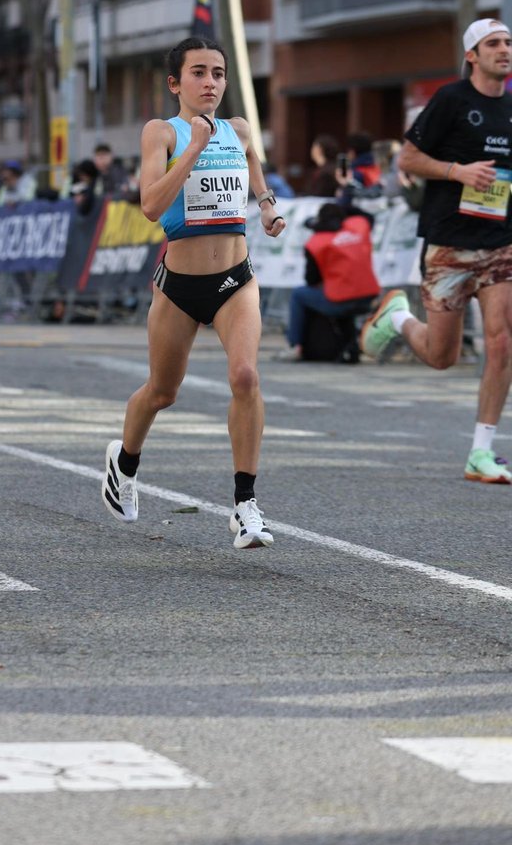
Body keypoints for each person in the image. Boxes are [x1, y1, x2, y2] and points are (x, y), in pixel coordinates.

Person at [101, 35, 286, 549]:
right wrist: (195, 147)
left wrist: (267, 204)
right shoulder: (161, 132)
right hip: (179, 286)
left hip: (234, 279)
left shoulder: (239, 129)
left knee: (245, 376)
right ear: (175, 83)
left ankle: (245, 505)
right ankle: (124, 462)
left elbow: (254, 167)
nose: (210, 83)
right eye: (199, 73)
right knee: (163, 392)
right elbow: (151, 205)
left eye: (218, 73)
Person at [360, 18, 512, 485]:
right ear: (472, 55)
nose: (504, 50)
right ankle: (399, 319)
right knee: (442, 355)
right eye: (493, 43)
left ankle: (481, 451)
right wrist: (457, 172)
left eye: (508, 42)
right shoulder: (451, 100)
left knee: (502, 340)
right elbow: (407, 159)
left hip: (500, 242)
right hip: (449, 242)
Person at [278, 202, 379, 362]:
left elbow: (312, 280)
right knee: (341, 295)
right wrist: (344, 202)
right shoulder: (359, 225)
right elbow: (367, 216)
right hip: (369, 295)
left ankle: (294, 346)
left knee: (298, 294)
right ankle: (351, 347)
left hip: (340, 299)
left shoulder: (316, 242)